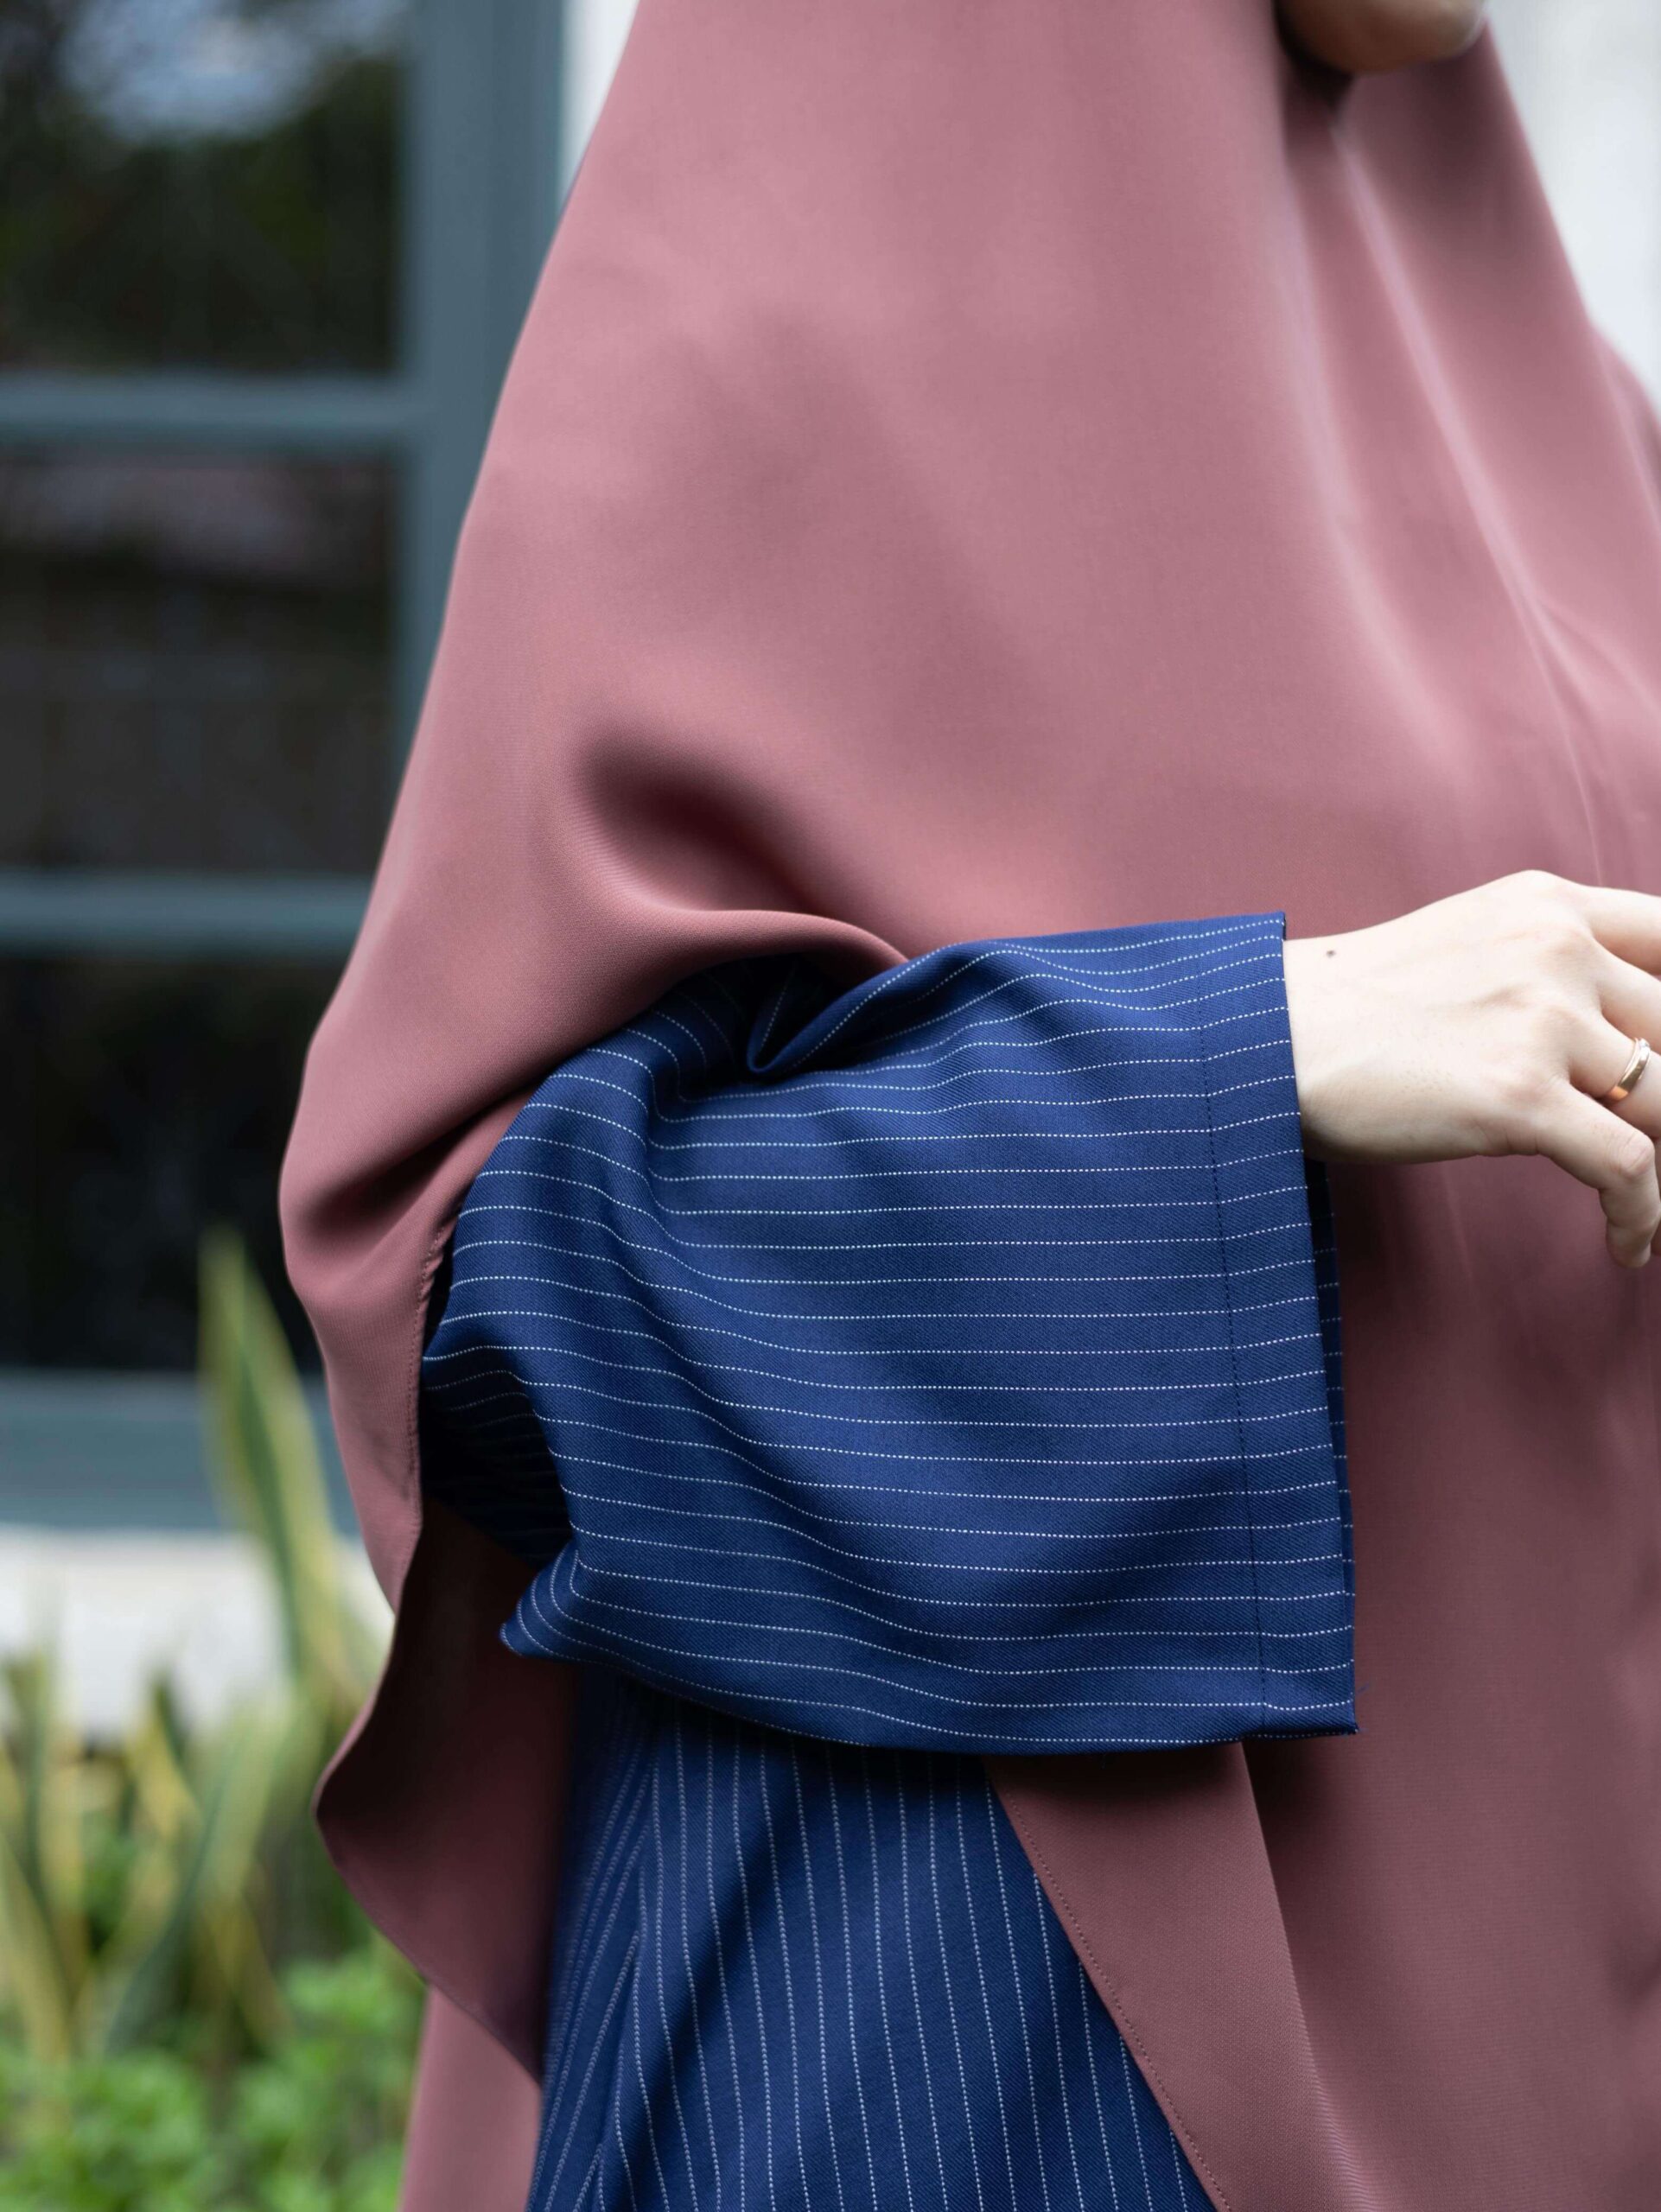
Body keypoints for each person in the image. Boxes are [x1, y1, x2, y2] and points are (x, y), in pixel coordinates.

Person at [280, 3, 1661, 2206]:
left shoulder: (1548, 396)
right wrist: (1246, 1053)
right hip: (978, 2012)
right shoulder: (773, 286)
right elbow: (472, 1300)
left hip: (1531, 1972)